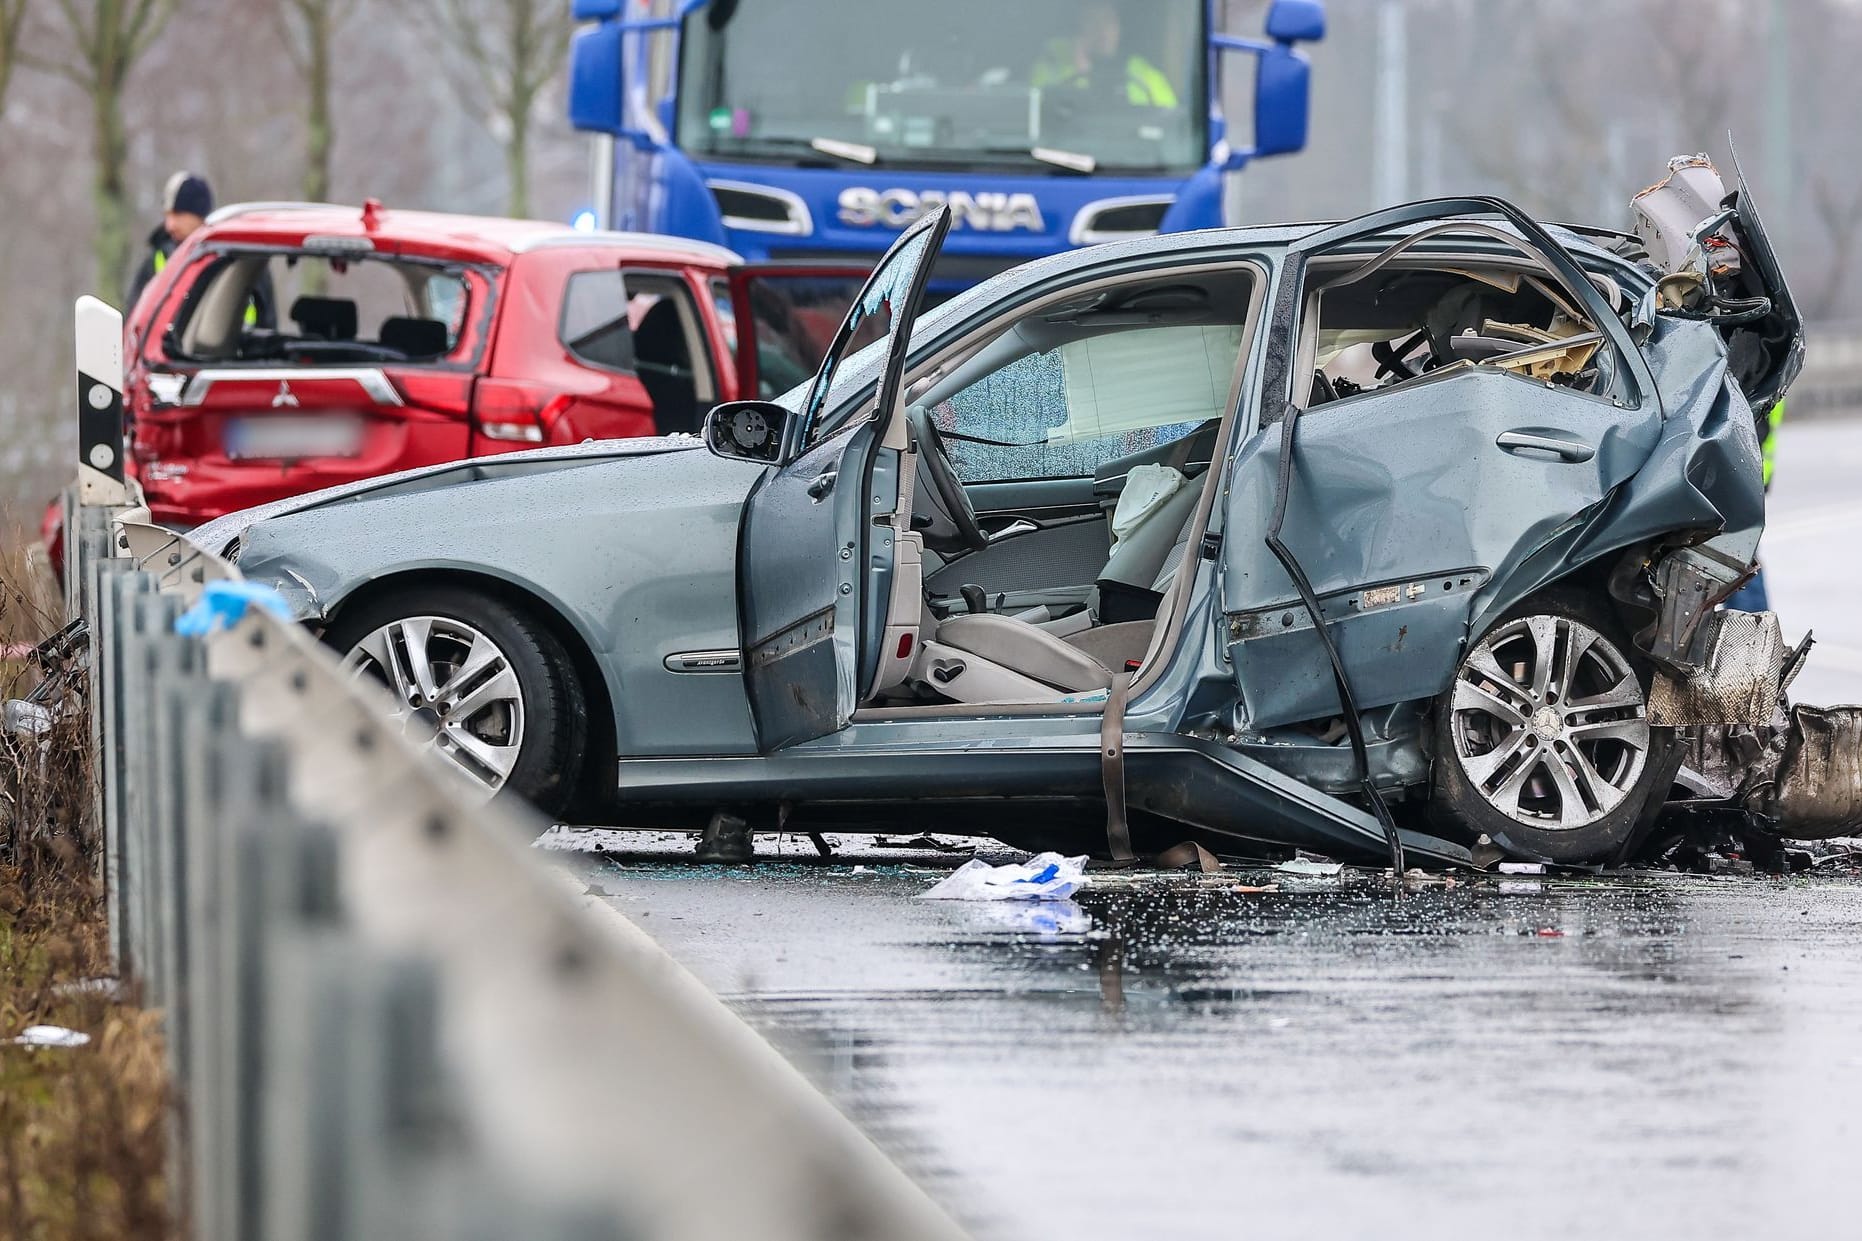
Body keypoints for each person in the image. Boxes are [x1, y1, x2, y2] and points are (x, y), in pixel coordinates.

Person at [126, 171, 275, 328]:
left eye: (177, 214)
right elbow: (133, 319)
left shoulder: (241, 261)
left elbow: (268, 325)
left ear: (199, 215)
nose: (170, 225)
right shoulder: (157, 259)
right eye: (167, 215)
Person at [1032, 1, 1177, 109]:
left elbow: (1170, 118)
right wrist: (1078, 69)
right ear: (1077, 27)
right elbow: (1040, 115)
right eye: (1093, 21)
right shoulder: (1051, 63)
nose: (1103, 30)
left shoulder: (1142, 72)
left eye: (1109, 20)